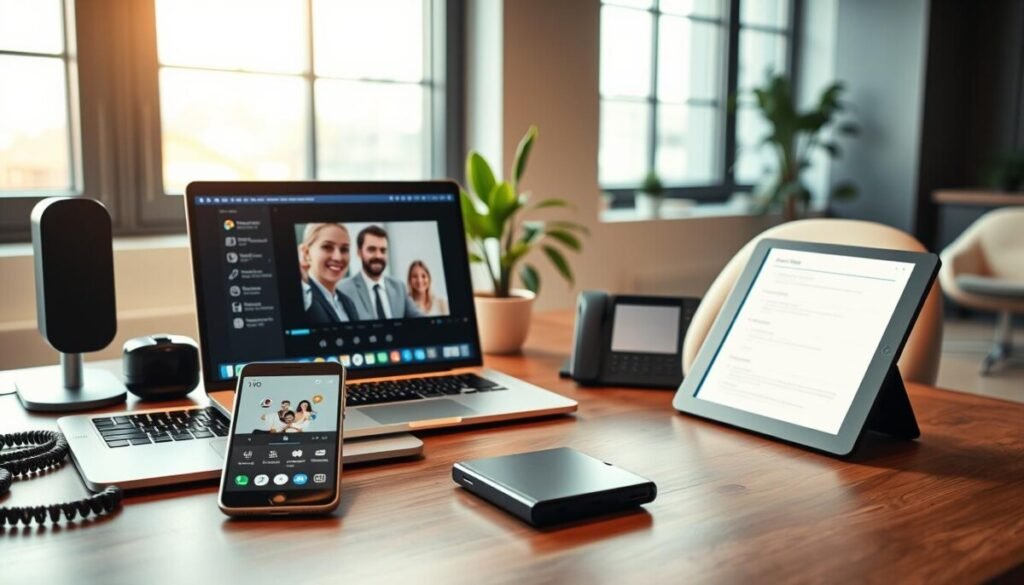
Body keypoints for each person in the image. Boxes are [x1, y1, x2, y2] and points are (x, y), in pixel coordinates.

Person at [339, 225, 424, 320]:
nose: (378, 256)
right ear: (359, 252)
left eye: (383, 250)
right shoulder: (343, 289)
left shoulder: (399, 287)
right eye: (372, 249)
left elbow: (419, 319)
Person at [299, 223, 360, 324]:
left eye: (344, 249)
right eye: (327, 247)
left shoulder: (348, 303)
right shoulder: (304, 298)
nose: (338, 257)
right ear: (306, 253)